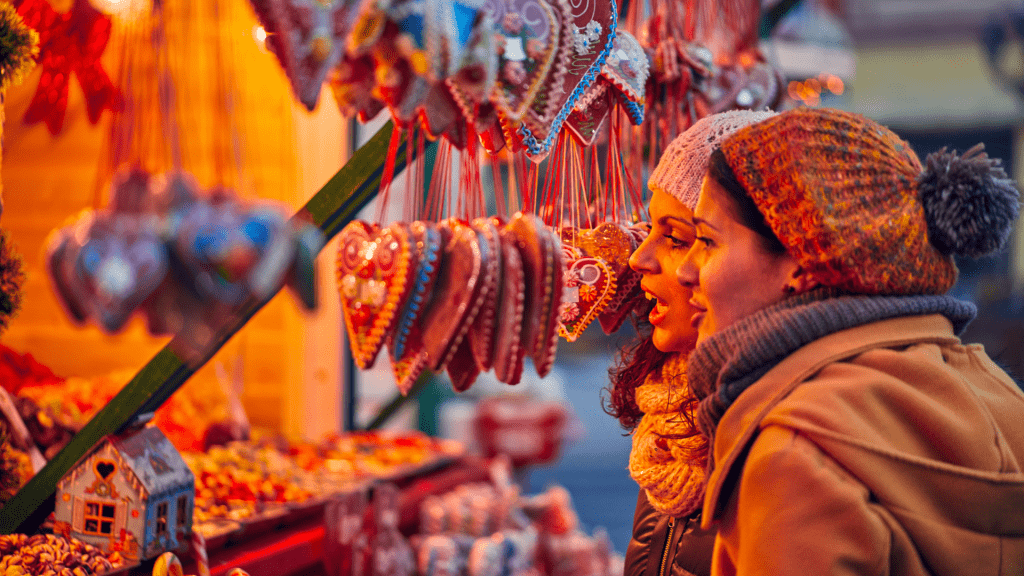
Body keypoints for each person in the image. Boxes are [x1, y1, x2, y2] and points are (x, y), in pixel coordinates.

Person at [675, 106, 1024, 575]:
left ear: (801, 261)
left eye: (706, 240)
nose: (685, 269)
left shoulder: (795, 458)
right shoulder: (999, 395)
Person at [605, 109, 776, 576]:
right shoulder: (671, 427)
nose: (640, 259)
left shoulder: (774, 439)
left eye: (680, 238)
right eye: (650, 230)